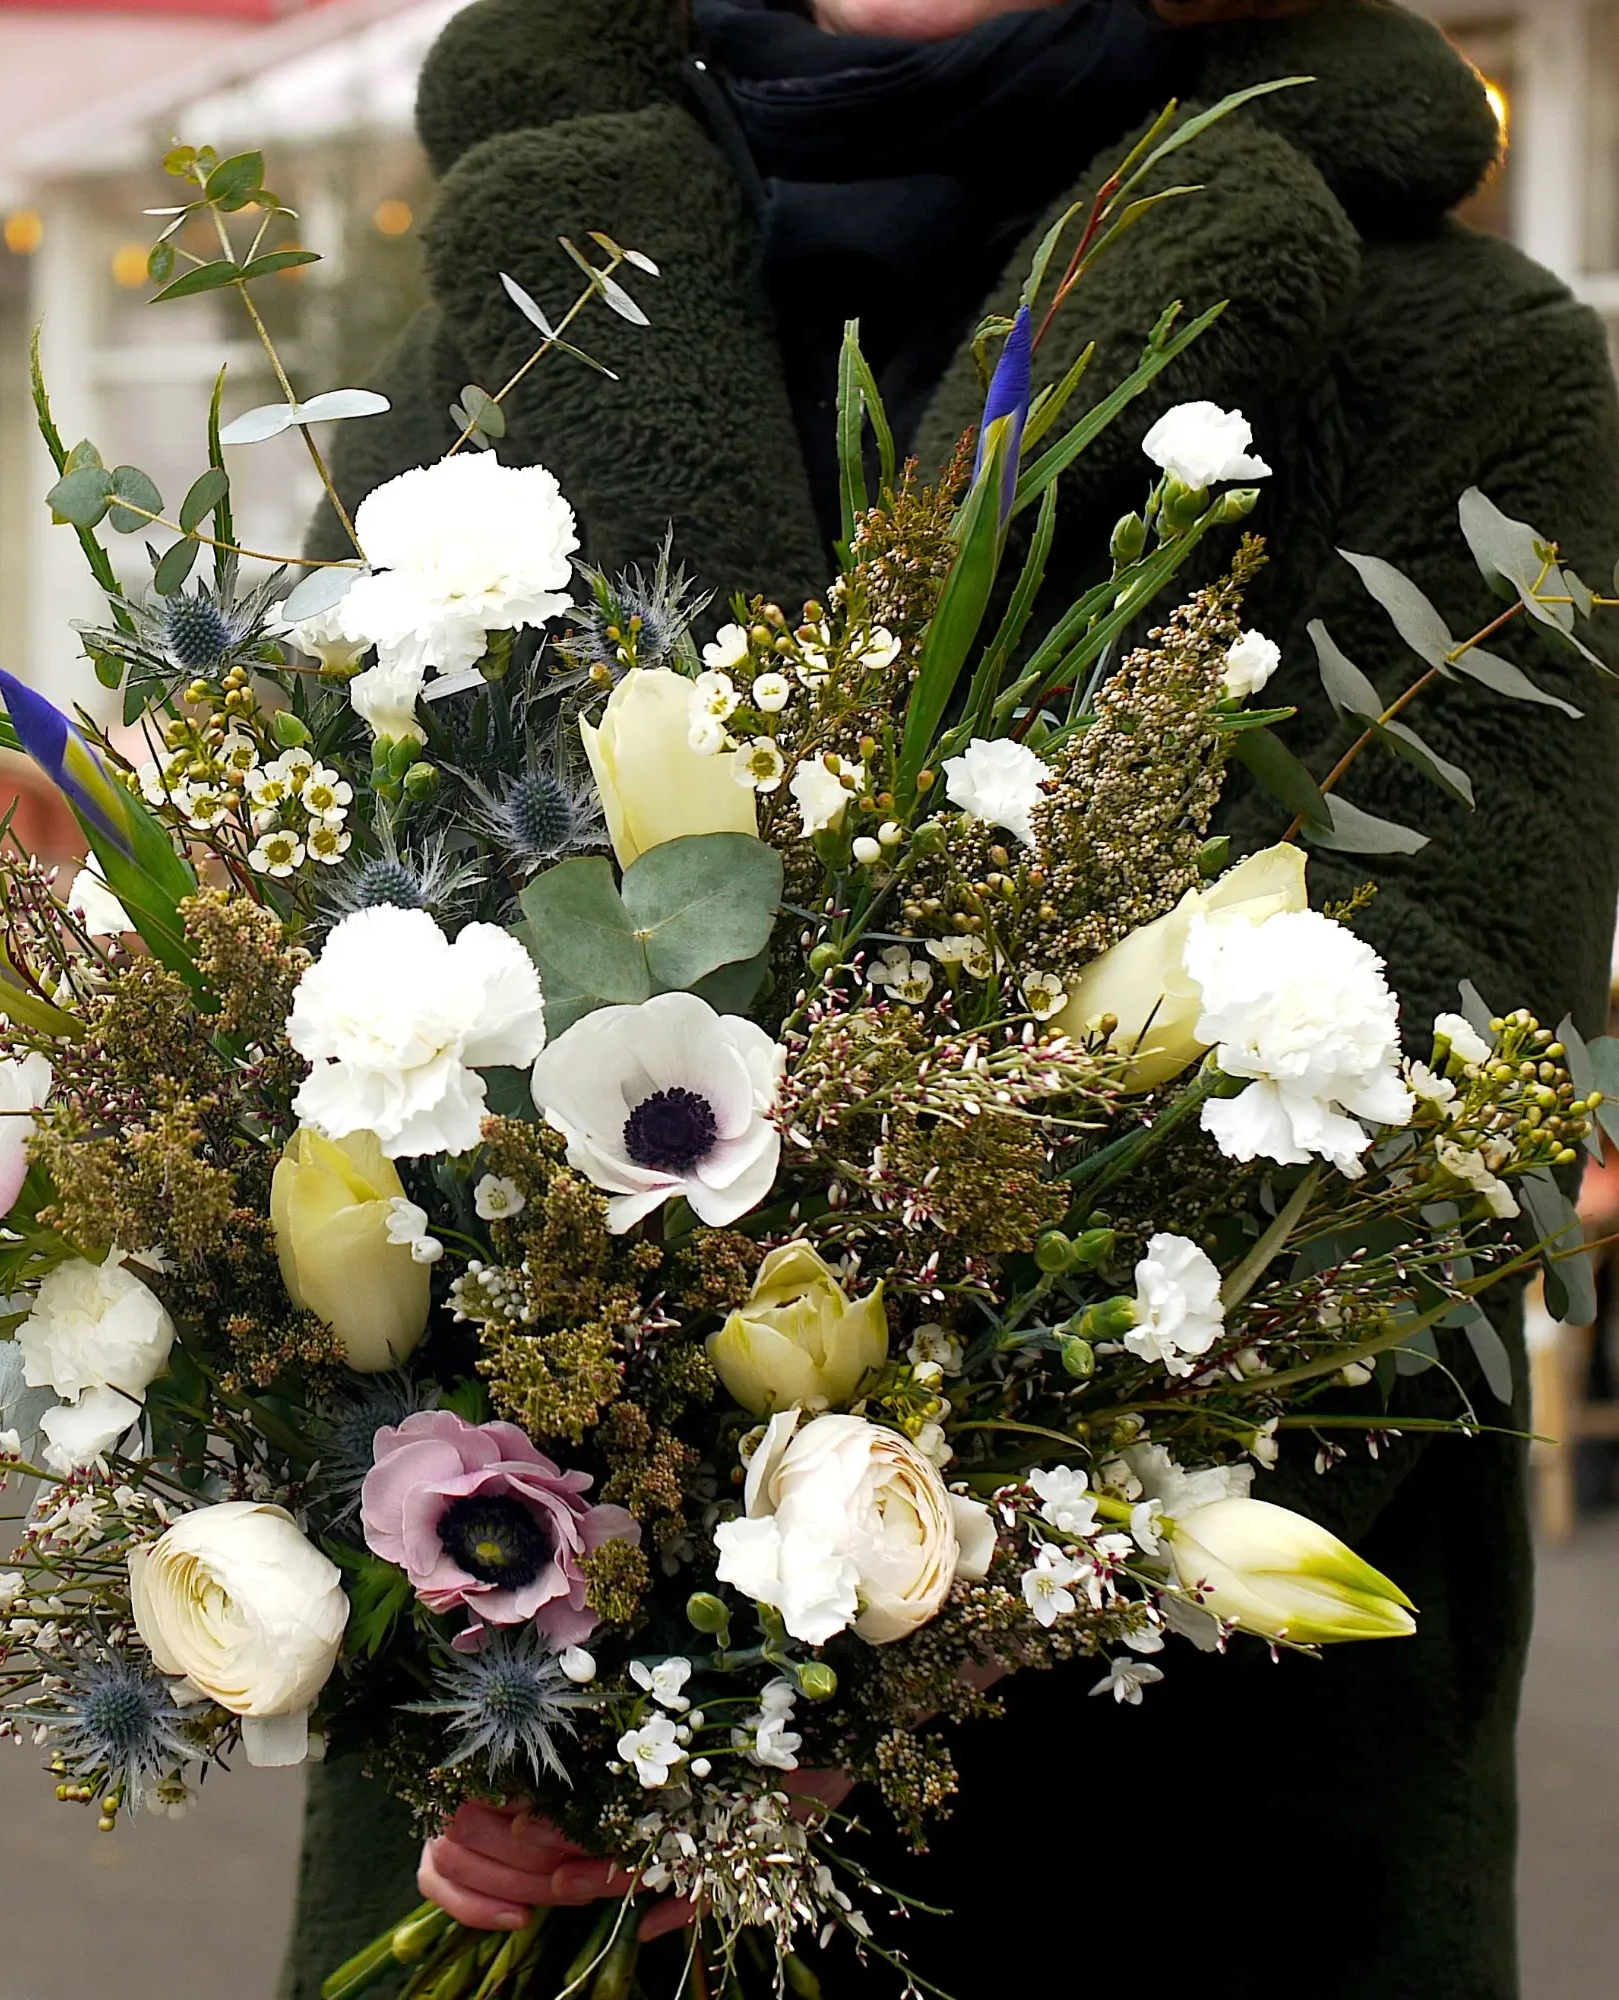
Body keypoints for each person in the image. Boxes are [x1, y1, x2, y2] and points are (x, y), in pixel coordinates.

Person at [282, 3, 1619, 1995]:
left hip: (1178, 1839)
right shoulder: (506, 323)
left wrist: (840, 1640)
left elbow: (1434, 1067)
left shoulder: (1453, 351)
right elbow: (309, 984)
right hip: (524, 1819)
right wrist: (461, 1656)